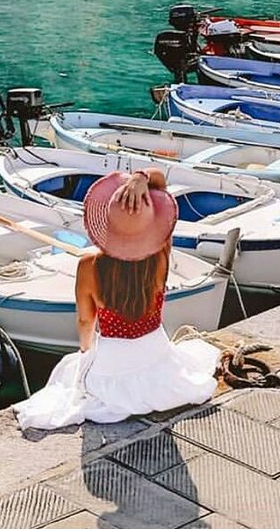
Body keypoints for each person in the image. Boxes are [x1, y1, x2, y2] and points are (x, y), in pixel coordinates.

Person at [13, 170, 220, 430]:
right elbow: (162, 184)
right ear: (152, 222)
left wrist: (86, 354)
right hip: (157, 357)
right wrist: (141, 178)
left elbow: (86, 321)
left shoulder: (89, 265)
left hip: (111, 368)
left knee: (70, 369)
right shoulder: (161, 253)